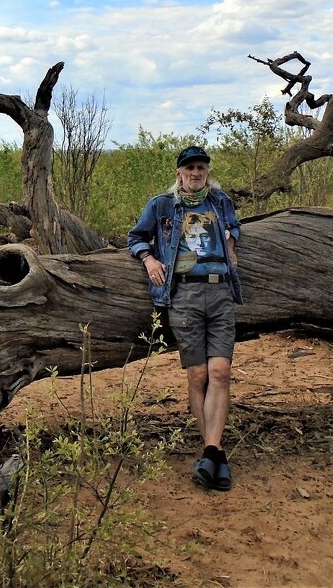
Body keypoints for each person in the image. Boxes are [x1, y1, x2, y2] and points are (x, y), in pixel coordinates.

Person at [127, 145, 243, 491]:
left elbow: (234, 228)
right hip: (184, 295)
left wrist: (232, 241)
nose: (196, 173)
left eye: (201, 168)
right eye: (189, 168)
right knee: (197, 374)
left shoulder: (220, 202)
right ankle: (215, 455)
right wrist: (149, 260)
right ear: (178, 173)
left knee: (220, 372)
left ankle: (211, 451)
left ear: (208, 172)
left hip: (220, 292)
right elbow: (136, 237)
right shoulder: (162, 205)